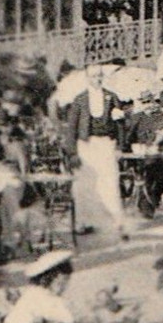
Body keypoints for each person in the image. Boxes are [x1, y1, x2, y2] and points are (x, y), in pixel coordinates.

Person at [64, 66, 128, 240]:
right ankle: (83, 223)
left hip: (107, 144)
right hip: (86, 145)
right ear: (87, 78)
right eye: (93, 76)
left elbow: (121, 126)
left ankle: (116, 221)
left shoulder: (112, 97)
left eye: (99, 76)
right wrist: (72, 153)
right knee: (85, 184)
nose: (97, 79)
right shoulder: (80, 100)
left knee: (110, 181)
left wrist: (120, 147)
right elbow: (71, 129)